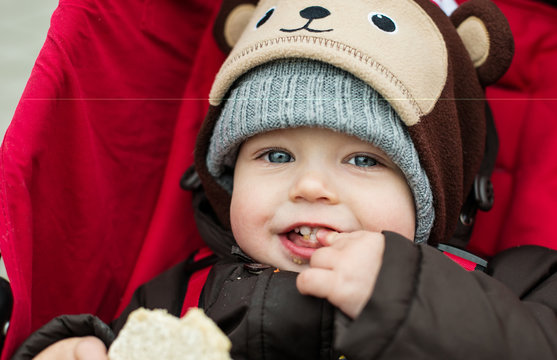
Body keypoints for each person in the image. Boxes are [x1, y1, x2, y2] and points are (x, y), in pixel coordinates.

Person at [12, 0, 557, 359]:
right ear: (225, 178)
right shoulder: (178, 294)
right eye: (275, 155)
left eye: (364, 160)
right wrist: (79, 345)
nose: (310, 187)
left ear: (431, 192)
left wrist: (408, 293)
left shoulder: (503, 286)